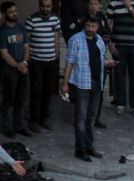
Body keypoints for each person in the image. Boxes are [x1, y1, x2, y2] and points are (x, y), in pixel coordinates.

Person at [62, 15, 117, 162]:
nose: (91, 29)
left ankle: (89, 146)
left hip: (97, 83)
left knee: (91, 118)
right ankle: (80, 149)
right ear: (84, 26)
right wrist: (65, 84)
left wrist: (108, 63)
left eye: (93, 26)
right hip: (82, 84)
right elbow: (69, 63)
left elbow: (99, 59)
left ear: (97, 27)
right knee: (81, 117)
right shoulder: (75, 40)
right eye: (88, 26)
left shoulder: (99, 40)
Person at [25, 0, 60, 133]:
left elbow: (57, 36)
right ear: (40, 6)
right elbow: (26, 39)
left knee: (47, 91)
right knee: (36, 91)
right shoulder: (31, 19)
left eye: (48, 6)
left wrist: (56, 54)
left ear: (51, 6)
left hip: (51, 62)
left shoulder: (55, 19)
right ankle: (33, 121)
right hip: (36, 62)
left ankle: (44, 118)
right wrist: (28, 57)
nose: (45, 9)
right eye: (43, 6)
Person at [106, 0, 134, 116]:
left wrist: (129, 7)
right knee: (119, 75)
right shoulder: (113, 4)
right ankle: (120, 103)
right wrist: (109, 43)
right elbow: (107, 25)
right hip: (118, 46)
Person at [0, 1, 32, 138]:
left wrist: (24, 62)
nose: (14, 13)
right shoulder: (2, 32)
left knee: (21, 99)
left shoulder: (21, 28)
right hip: (8, 72)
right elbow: (4, 54)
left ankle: (19, 126)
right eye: (11, 12)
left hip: (22, 69)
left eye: (15, 11)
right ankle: (6, 127)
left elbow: (26, 47)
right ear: (4, 14)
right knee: (8, 100)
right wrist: (19, 66)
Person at [80, 0, 111, 129]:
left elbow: (107, 33)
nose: (93, 6)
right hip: (86, 61)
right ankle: (82, 119)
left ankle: (95, 117)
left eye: (96, 3)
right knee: (84, 93)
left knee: (99, 90)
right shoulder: (82, 18)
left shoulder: (102, 17)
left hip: (99, 59)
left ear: (99, 5)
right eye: (91, 3)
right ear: (88, 5)